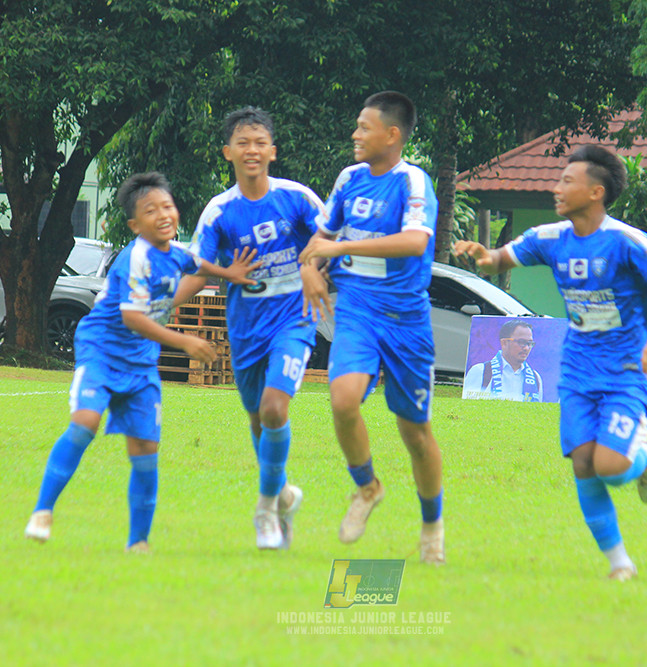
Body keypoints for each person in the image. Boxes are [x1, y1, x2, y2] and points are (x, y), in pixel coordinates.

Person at [454, 144, 647, 580]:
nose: (557, 189)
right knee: (583, 463)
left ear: (596, 192)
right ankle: (620, 564)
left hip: (625, 372)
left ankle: (644, 450)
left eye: (567, 181)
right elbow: (501, 260)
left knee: (610, 468)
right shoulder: (550, 238)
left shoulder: (626, 241)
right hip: (578, 370)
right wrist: (484, 257)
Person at [24, 172, 255, 553]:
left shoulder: (175, 251)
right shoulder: (135, 258)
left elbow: (198, 265)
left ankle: (138, 543)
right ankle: (43, 511)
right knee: (85, 424)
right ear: (134, 225)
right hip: (102, 351)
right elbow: (133, 318)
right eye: (151, 211)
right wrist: (184, 341)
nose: (163, 215)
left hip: (141, 362)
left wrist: (229, 273)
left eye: (167, 206)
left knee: (146, 450)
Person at [299, 91, 445, 564]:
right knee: (343, 400)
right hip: (357, 310)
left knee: (415, 433)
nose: (355, 134)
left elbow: (415, 241)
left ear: (392, 134)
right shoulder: (349, 179)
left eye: (364, 127)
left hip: (405, 320)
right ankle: (367, 487)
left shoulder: (412, 181)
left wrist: (340, 250)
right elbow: (321, 237)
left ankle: (432, 525)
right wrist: (309, 269)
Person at [175, 106, 329, 550]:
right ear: (228, 152)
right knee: (259, 420)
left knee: (275, 409)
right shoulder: (219, 212)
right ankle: (284, 497)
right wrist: (156, 307)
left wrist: (312, 266)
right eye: (243, 143)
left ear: (273, 151)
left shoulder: (297, 199)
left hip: (295, 320)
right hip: (245, 330)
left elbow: (329, 239)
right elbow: (199, 270)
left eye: (260, 143)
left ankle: (264, 510)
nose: (252, 150)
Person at [462, 318, 544, 402]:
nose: (526, 348)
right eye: (521, 342)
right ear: (504, 343)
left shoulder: (535, 378)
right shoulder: (481, 371)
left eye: (529, 343)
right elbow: (468, 406)